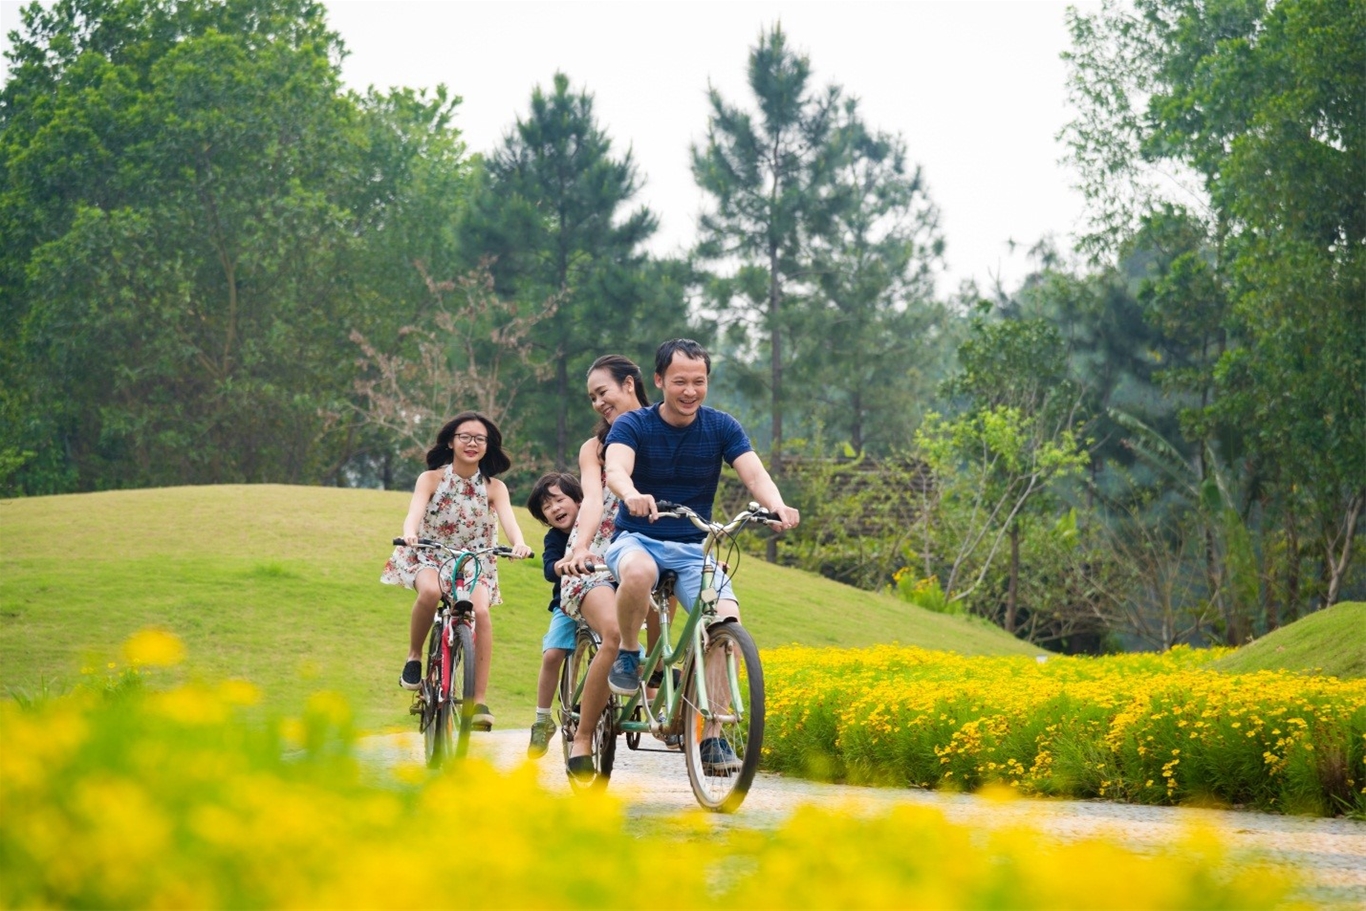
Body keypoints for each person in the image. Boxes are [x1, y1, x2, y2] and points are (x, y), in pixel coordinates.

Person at [602, 339, 799, 773]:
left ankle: (712, 738)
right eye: (679, 382)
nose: (690, 391)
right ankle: (630, 654)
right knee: (637, 573)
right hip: (637, 537)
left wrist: (777, 504)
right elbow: (615, 468)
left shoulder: (721, 427)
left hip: (693, 546)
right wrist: (631, 494)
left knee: (725, 621)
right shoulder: (634, 424)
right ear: (659, 381)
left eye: (699, 381)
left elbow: (754, 472)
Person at [381, 411, 533, 733]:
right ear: (451, 441)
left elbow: (510, 523)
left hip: (473, 562)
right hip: (431, 555)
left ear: (487, 446)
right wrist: (410, 534)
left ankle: (477, 701)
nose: (472, 443)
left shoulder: (495, 487)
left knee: (481, 612)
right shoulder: (432, 479)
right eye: (465, 436)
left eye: (480, 439)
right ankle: (413, 657)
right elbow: (414, 514)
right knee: (432, 591)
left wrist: (519, 544)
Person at [554, 354, 651, 780]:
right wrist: (581, 548)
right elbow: (592, 501)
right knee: (612, 633)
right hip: (595, 558)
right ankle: (582, 736)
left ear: (629, 384)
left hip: (645, 552)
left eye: (602, 392)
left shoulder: (666, 431)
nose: (597, 403)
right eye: (592, 397)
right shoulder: (594, 448)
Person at [523, 471, 584, 758]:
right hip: (567, 606)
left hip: (607, 599)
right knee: (552, 655)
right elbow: (549, 569)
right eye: (547, 508)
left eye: (559, 500)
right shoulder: (554, 538)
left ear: (579, 500)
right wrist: (561, 565)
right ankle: (542, 719)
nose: (555, 509)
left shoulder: (598, 526)